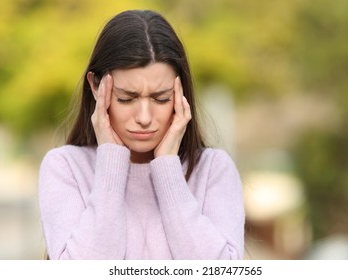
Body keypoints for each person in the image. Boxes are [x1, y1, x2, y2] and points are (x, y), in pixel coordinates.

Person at [38, 9, 245, 260]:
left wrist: (168, 168)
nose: (144, 117)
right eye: (127, 98)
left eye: (161, 98)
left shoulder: (213, 169)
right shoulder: (65, 167)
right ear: (95, 86)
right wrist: (111, 160)